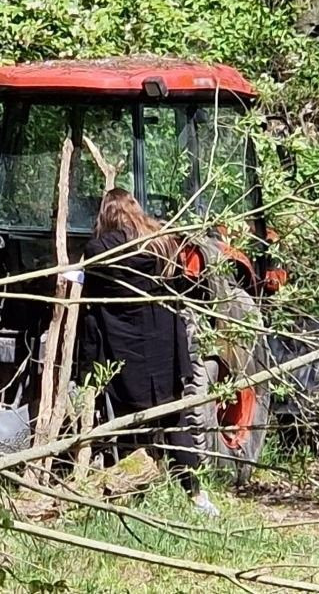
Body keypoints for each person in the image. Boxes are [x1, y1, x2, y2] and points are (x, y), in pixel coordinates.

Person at [79, 188, 219, 515]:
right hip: (165, 348)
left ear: (106, 216)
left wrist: (88, 366)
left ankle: (133, 497)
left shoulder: (97, 251)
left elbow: (92, 303)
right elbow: (180, 287)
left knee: (132, 423)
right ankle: (197, 496)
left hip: (126, 352)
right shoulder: (161, 243)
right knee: (175, 423)